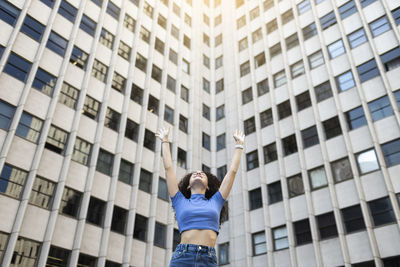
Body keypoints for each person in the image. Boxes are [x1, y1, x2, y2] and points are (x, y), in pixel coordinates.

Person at [155, 127, 245, 267]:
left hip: (207, 259)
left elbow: (232, 172)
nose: (198, 174)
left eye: (202, 174)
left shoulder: (216, 201)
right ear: (189, 186)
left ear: (208, 186)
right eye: (194, 174)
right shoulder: (179, 200)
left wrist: (239, 145)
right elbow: (168, 169)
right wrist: (165, 142)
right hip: (183, 257)